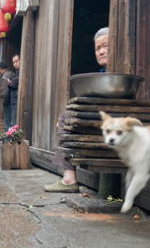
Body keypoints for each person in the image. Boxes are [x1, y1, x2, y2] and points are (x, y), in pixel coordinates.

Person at [44, 27, 109, 193]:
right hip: (101, 124)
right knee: (65, 119)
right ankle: (68, 176)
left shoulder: (118, 72)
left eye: (105, 46)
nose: (101, 51)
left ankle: (69, 178)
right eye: (97, 48)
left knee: (66, 119)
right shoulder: (101, 74)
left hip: (113, 126)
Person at [0, 61, 15, 132]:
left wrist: (4, 101)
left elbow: (5, 91)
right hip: (13, 101)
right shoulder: (12, 74)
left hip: (8, 102)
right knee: (12, 122)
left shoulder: (5, 76)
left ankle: (7, 141)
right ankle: (11, 140)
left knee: (7, 123)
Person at [7, 54, 20, 127]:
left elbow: (15, 82)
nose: (15, 64)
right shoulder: (17, 73)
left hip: (16, 99)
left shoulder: (21, 73)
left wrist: (10, 83)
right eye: (13, 62)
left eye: (17, 61)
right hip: (14, 99)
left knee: (14, 120)